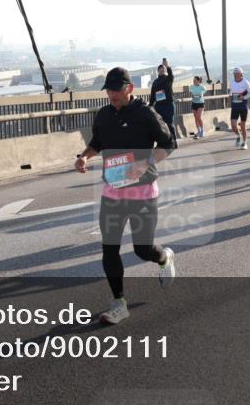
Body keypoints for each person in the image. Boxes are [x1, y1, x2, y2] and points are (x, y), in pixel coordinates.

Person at [74, 67, 176, 325]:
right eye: (108, 90)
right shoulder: (104, 115)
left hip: (142, 193)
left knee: (143, 249)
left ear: (129, 89)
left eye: (116, 90)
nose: (111, 95)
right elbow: (97, 142)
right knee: (109, 249)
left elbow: (168, 144)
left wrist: (145, 163)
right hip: (112, 193)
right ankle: (119, 302)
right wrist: (84, 156)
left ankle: (164, 257)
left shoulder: (145, 114)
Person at [148, 58, 177, 148]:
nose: (161, 70)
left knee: (169, 123)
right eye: (160, 69)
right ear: (158, 71)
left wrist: (167, 66)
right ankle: (163, 142)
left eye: (163, 69)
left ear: (165, 70)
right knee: (159, 125)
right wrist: (150, 105)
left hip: (168, 105)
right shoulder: (155, 82)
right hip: (159, 106)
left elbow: (171, 75)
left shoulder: (168, 79)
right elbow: (153, 95)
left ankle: (174, 141)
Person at [229, 67, 250, 150]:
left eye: (237, 73)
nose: (236, 75)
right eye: (234, 74)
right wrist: (230, 98)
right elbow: (231, 92)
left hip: (243, 106)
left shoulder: (245, 82)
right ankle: (238, 135)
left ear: (241, 74)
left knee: (243, 125)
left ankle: (244, 143)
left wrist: (244, 97)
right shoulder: (232, 82)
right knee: (233, 126)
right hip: (234, 106)